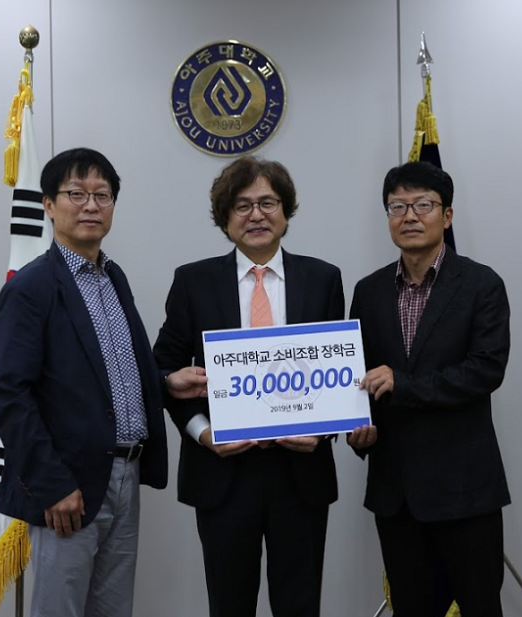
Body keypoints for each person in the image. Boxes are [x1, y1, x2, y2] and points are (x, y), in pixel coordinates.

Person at [154, 156, 372, 617]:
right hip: (222, 474)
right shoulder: (193, 281)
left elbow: (338, 375)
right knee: (229, 606)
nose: (256, 215)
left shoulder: (323, 279)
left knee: (300, 606)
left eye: (267, 203)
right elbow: (165, 373)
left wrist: (323, 432)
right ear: (225, 218)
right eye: (242, 205)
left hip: (301, 474)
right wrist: (203, 433)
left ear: (286, 212)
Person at [0, 147, 198, 617]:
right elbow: (11, 396)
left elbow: (108, 372)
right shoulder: (30, 288)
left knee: (113, 610)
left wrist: (166, 382)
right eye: (76, 194)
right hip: (68, 485)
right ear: (48, 204)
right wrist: (51, 484)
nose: (90, 205)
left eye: (102, 195)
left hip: (125, 473)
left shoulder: (112, 277)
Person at [348, 161, 511, 617]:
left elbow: (485, 371)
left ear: (447, 215)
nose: (410, 216)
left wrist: (403, 385)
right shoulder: (368, 291)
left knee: (481, 607)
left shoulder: (481, 284)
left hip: (465, 489)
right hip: (396, 493)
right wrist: (359, 429)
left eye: (423, 205)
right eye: (397, 207)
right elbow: (358, 376)